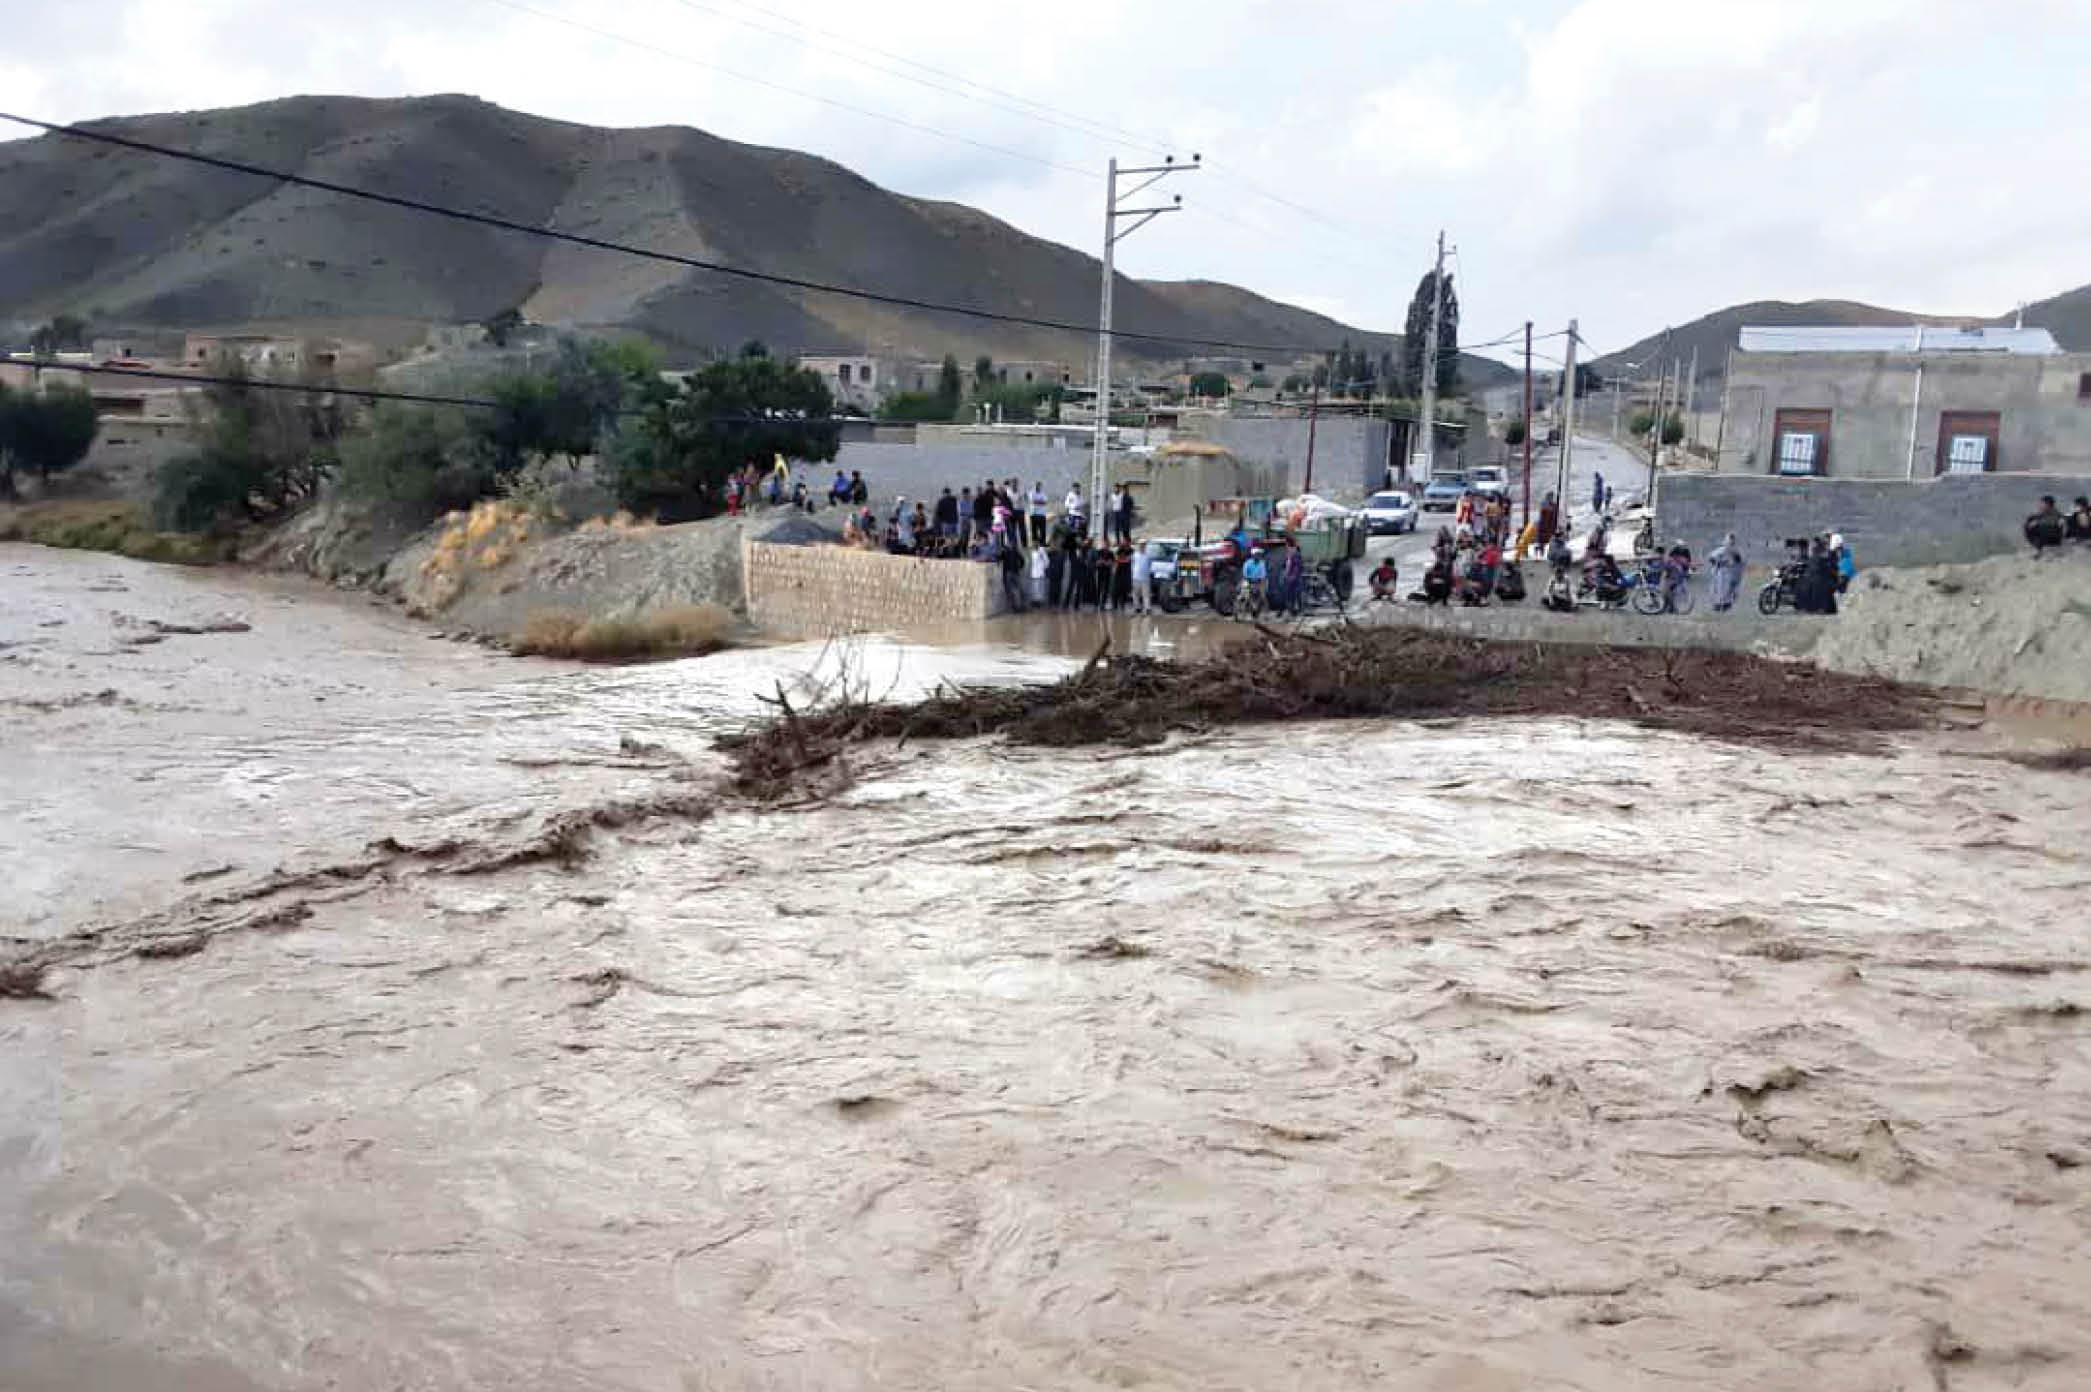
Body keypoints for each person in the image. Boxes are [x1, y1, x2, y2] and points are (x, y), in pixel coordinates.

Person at [1707, 533, 1745, 612]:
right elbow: (1711, 558)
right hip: (1722, 572)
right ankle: (1719, 605)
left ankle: (1725, 605)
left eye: (1732, 541)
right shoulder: (1721, 550)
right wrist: (1719, 562)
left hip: (1733, 572)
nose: (1731, 542)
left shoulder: (1736, 550)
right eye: (1730, 540)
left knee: (1732, 590)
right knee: (1721, 589)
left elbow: (1740, 562)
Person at [1240, 546, 1269, 613]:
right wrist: (1248, 578)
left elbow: (1263, 574)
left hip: (1258, 581)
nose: (1258, 556)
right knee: (1245, 591)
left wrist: (1260, 579)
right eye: (1256, 554)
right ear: (1253, 555)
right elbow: (1245, 573)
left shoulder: (1262, 563)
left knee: (1262, 594)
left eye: (1259, 554)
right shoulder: (1247, 563)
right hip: (1248, 580)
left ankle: (1262, 608)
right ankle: (1243, 603)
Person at [1130, 540, 1154, 614]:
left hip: (1145, 578)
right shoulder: (1134, 555)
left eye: (1143, 545)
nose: (1142, 546)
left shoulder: (1148, 555)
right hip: (1135, 577)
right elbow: (1132, 564)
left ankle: (1147, 608)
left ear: (1145, 546)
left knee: (1146, 594)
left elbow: (1150, 565)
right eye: (1140, 545)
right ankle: (1137, 607)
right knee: (1135, 594)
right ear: (1138, 546)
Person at [1029, 481, 1050, 546]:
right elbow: (1032, 501)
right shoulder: (1031, 492)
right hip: (1034, 513)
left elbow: (1046, 502)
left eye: (1039, 485)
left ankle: (1042, 542)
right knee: (1034, 529)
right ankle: (1035, 543)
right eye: (1037, 485)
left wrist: (1038, 502)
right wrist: (1041, 502)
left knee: (1043, 530)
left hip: (1042, 514)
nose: (1038, 487)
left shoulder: (1043, 493)